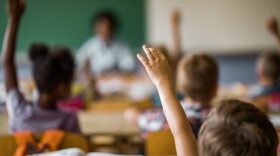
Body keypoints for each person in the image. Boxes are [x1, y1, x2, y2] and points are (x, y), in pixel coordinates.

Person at [137, 45, 278, 156]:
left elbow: (182, 130)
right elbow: (182, 131)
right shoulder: (219, 120)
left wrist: (162, 82)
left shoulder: (217, 123)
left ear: (180, 86)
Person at [2, 0, 80, 133]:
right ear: (61, 88)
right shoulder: (69, 120)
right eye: (70, 83)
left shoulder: (19, 112)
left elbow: (7, 64)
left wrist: (14, 20)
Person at [137, 52, 218, 138]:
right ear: (215, 90)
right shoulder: (220, 119)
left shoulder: (165, 117)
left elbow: (140, 119)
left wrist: (136, 116)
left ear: (180, 87)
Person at [76, 11, 136, 76]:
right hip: (95, 79)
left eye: (108, 27)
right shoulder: (89, 46)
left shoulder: (122, 46)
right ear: (96, 28)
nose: (104, 29)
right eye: (101, 26)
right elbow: (78, 63)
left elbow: (129, 65)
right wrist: (85, 67)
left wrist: (115, 71)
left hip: (117, 79)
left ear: (113, 28)